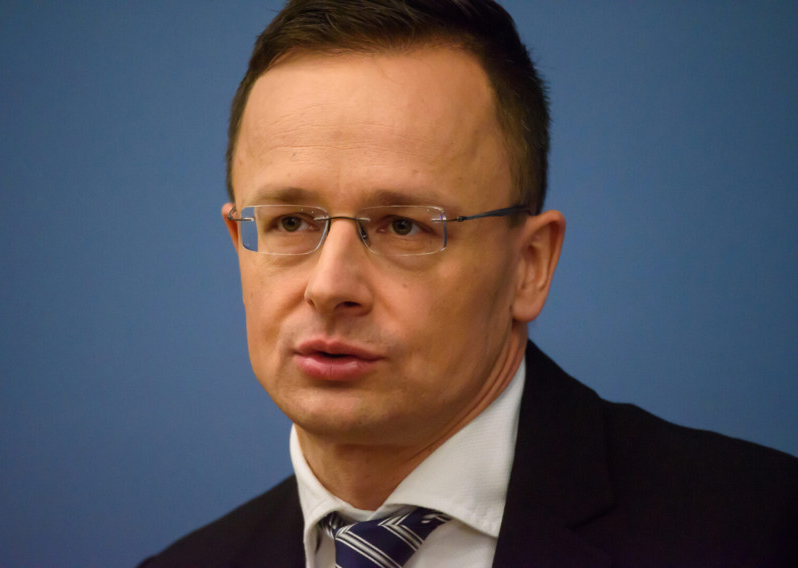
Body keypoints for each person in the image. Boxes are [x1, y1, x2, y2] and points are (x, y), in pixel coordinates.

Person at [139, 1, 798, 566]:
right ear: (239, 243)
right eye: (289, 223)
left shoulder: (763, 530)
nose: (329, 285)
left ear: (530, 265)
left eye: (403, 226)